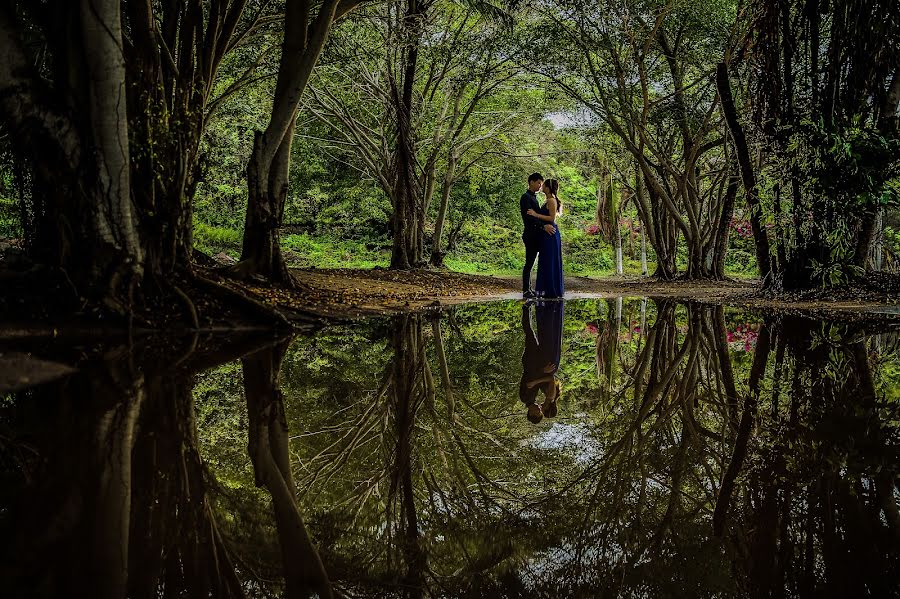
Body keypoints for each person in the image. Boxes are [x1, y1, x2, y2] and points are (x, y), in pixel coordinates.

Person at [518, 301, 565, 423]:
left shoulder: (525, 398)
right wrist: (542, 373)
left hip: (531, 362)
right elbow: (545, 380)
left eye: (538, 411)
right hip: (536, 362)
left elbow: (529, 379)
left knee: (530, 333)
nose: (539, 408)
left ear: (531, 413)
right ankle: (532, 307)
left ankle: (526, 307)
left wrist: (541, 372)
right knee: (532, 333)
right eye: (541, 410)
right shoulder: (542, 397)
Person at [527, 178, 565, 299]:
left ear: (548, 188)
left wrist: (535, 214)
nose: (541, 186)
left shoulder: (551, 200)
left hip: (550, 233)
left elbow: (552, 218)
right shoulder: (547, 200)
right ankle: (546, 290)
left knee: (549, 261)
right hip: (546, 233)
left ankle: (551, 290)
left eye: (543, 185)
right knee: (545, 260)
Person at [520, 172, 556, 299]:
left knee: (537, 262)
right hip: (530, 235)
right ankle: (526, 290)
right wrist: (543, 226)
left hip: (537, 235)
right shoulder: (526, 197)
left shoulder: (534, 198)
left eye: (542, 183)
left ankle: (531, 288)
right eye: (538, 182)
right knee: (529, 263)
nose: (540, 185)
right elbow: (529, 217)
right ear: (531, 182)